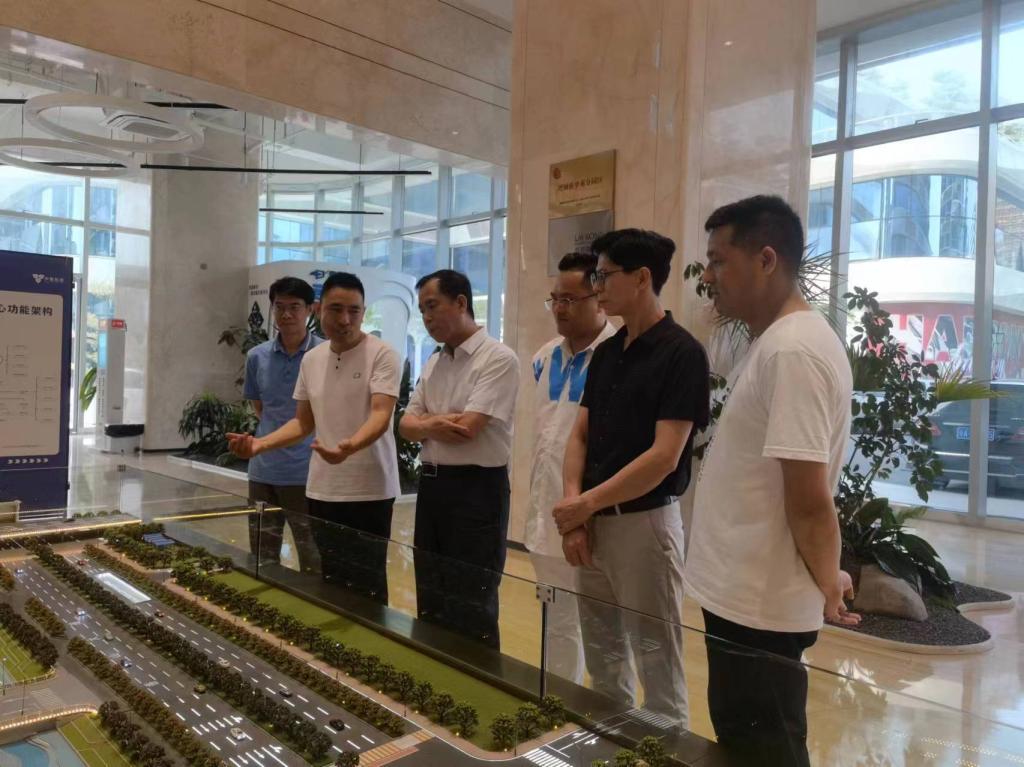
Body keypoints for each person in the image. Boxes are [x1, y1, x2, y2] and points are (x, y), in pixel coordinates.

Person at [683, 195, 860, 766]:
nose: (708, 277)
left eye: (719, 261)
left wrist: (827, 581)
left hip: (759, 604)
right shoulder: (776, 344)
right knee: (744, 743)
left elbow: (808, 498)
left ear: (765, 259)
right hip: (743, 596)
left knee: (765, 750)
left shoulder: (793, 350)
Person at [555, 229, 710, 731]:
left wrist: (585, 505)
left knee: (655, 661)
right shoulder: (607, 352)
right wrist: (576, 512)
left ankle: (664, 750)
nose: (596, 287)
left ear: (642, 278)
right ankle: (607, 746)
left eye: (604, 276)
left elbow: (664, 457)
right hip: (592, 523)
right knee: (603, 657)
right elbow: (580, 435)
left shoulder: (682, 353)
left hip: (645, 525)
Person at [229, 272, 401, 604]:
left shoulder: (382, 354)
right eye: (336, 309)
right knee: (329, 579)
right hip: (322, 487)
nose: (345, 319)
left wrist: (350, 445)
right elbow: (302, 423)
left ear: (364, 312)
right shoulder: (312, 359)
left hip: (370, 489)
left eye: (354, 310)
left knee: (367, 583)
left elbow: (381, 414)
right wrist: (259, 445)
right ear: (320, 310)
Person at [399, 269, 519, 649]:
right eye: (422, 310)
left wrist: (425, 424)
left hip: (477, 492)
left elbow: (467, 428)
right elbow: (405, 426)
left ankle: (477, 681)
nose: (426, 317)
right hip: (433, 487)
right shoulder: (434, 362)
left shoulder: (497, 358)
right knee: (431, 593)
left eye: (432, 306)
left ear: (461, 302)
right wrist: (434, 423)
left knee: (471, 601)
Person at [528, 252, 615, 683]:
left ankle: (596, 708)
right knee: (556, 620)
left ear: (599, 297)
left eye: (570, 300)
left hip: (593, 515)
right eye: (555, 299)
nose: (559, 309)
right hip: (547, 509)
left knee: (601, 630)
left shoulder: (617, 355)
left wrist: (582, 511)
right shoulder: (545, 357)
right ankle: (558, 699)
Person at [241, 277, 323, 573]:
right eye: (279, 307)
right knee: (262, 555)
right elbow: (260, 408)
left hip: (307, 472)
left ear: (310, 310)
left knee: (313, 556)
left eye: (295, 307)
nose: (286, 314)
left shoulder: (325, 355)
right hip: (262, 472)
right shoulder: (257, 356)